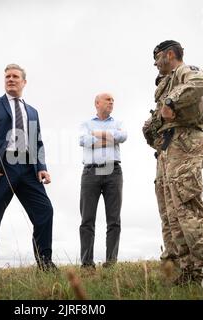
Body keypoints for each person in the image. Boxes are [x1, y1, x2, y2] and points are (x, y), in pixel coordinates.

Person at [0, 64, 56, 274]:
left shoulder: (32, 111)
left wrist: (42, 167)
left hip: (29, 168)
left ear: (24, 82)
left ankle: (45, 263)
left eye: (15, 76)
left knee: (45, 211)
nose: (10, 79)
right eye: (7, 76)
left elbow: (37, 142)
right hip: (2, 168)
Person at [152, 40, 203, 284]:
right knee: (173, 212)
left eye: (158, 58)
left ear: (170, 54)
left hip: (187, 140)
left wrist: (170, 102)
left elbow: (201, 83)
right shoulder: (168, 81)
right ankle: (189, 270)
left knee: (189, 207)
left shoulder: (187, 72)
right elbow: (160, 118)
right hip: (170, 146)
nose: (156, 64)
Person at [78, 93, 127, 269]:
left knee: (114, 219)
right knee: (87, 219)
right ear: (97, 103)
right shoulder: (85, 123)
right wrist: (109, 137)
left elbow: (122, 137)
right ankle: (87, 263)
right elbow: (84, 140)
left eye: (113, 100)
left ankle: (111, 262)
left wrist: (97, 135)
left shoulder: (118, 122)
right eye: (108, 100)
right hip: (91, 172)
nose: (112, 102)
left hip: (113, 171)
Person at [142, 75, 178, 265]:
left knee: (181, 211)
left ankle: (190, 261)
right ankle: (171, 257)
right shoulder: (157, 111)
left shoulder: (179, 97)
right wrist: (159, 144)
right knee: (166, 214)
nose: (161, 86)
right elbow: (147, 130)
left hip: (178, 157)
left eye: (163, 82)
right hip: (162, 160)